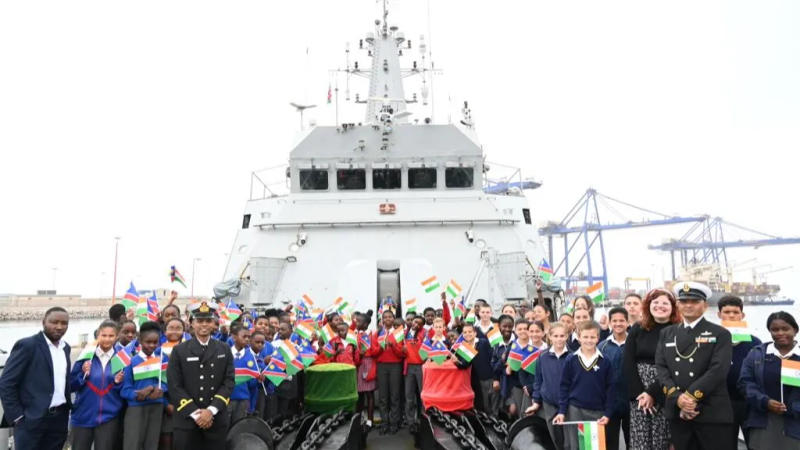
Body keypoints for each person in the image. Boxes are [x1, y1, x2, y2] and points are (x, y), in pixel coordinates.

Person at [655, 282, 735, 450]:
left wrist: (690, 397)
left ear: (705, 305)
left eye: (694, 301)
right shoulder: (667, 334)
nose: (688, 305)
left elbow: (718, 370)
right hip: (678, 411)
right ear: (677, 304)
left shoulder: (720, 334)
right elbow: (661, 369)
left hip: (710, 411)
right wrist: (678, 399)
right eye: (684, 301)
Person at [0, 306, 71, 450]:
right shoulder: (28, 345)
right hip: (31, 420)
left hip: (59, 420)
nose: (59, 327)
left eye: (64, 323)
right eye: (54, 322)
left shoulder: (65, 348)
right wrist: (18, 417)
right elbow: (6, 383)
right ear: (44, 322)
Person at [167, 301, 235, 450]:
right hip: (187, 420)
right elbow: (174, 385)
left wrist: (210, 411)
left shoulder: (224, 349)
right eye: (199, 321)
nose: (204, 324)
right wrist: (196, 414)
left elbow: (228, 382)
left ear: (214, 324)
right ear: (192, 323)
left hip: (215, 419)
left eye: (208, 320)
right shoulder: (179, 351)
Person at [622, 288, 680, 450]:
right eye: (655, 302)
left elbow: (677, 366)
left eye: (665, 303)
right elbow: (628, 362)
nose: (660, 306)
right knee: (640, 440)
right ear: (648, 305)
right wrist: (640, 394)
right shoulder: (637, 328)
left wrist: (652, 393)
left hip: (666, 390)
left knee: (664, 439)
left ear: (673, 307)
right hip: (639, 394)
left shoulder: (679, 331)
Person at [739, 311, 800, 449]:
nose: (780, 333)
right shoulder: (756, 354)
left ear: (795, 330)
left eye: (785, 329)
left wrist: (793, 407)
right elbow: (745, 383)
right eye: (775, 329)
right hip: (763, 421)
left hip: (795, 423)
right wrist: (765, 402)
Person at [553, 321, 615, 450]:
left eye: (592, 337)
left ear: (598, 338)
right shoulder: (571, 359)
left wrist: (608, 413)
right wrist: (562, 411)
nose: (589, 340)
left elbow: (610, 388)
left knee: (595, 446)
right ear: (579, 337)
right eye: (585, 337)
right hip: (575, 409)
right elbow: (564, 386)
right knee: (577, 445)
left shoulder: (605, 360)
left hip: (598, 410)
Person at [69, 320, 125, 450]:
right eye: (103, 335)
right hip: (83, 415)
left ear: (117, 337)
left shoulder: (121, 359)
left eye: (111, 336)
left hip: (109, 417)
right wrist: (82, 375)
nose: (107, 339)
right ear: (98, 336)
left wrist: (117, 383)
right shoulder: (86, 356)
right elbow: (71, 386)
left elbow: (124, 389)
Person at [716, 295, 762, 446]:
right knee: (726, 444)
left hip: (749, 402)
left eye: (735, 312)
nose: (731, 315)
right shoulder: (711, 340)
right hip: (722, 402)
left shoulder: (754, 342)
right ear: (719, 314)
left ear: (742, 315)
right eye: (726, 312)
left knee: (754, 444)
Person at [121, 321, 166, 450]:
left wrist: (160, 389)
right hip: (136, 408)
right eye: (148, 342)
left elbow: (166, 382)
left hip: (156, 407)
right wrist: (138, 394)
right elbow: (125, 390)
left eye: (155, 342)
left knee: (151, 444)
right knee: (132, 444)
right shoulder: (131, 361)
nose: (152, 345)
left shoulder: (162, 359)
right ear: (140, 340)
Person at [527, 322, 569, 450]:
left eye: (562, 336)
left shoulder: (572, 356)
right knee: (554, 437)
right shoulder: (543, 356)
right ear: (550, 337)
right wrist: (536, 401)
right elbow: (538, 380)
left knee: (568, 439)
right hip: (549, 403)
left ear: (567, 336)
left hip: (568, 403)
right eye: (555, 336)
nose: (559, 339)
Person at [598, 307, 629, 450]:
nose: (618, 324)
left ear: (628, 323)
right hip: (610, 403)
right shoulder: (602, 346)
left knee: (633, 441)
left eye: (622, 320)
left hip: (631, 402)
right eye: (614, 321)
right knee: (610, 442)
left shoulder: (633, 343)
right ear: (610, 323)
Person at [228, 322, 258, 424]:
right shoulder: (226, 353)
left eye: (249, 337)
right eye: (244, 336)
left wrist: (258, 378)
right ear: (234, 337)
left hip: (243, 399)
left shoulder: (251, 356)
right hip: (226, 399)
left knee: (239, 427)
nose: (247, 339)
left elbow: (252, 384)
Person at [474, 303, 500, 414]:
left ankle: (495, 418)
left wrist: (496, 376)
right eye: (483, 312)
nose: (485, 315)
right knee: (482, 400)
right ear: (479, 313)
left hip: (492, 368)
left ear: (491, 313)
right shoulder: (474, 329)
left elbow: (498, 352)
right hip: (478, 369)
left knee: (494, 398)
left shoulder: (495, 329)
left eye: (487, 312)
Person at [403, 315, 426, 433]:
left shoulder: (424, 334)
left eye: (419, 323)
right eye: (414, 321)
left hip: (421, 367)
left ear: (422, 326)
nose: (415, 324)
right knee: (409, 396)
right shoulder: (405, 332)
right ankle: (410, 421)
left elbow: (427, 350)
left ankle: (423, 419)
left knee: (422, 395)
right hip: (409, 367)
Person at [355, 311, 377, 428]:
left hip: (368, 364)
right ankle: (358, 418)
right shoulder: (355, 334)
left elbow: (376, 350)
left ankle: (370, 419)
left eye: (359, 321)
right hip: (359, 365)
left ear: (365, 324)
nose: (356, 323)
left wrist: (367, 352)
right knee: (359, 394)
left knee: (369, 393)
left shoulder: (371, 335)